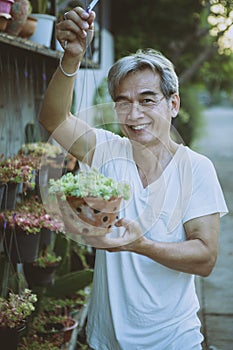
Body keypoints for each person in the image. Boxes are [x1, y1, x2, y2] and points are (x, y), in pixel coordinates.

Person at [39, 6, 228, 350]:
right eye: (123, 102)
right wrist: (72, 57)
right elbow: (54, 119)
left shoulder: (195, 168)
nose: (134, 114)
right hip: (104, 339)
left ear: (173, 104)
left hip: (174, 340)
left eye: (147, 100)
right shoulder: (107, 151)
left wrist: (142, 245)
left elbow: (205, 258)